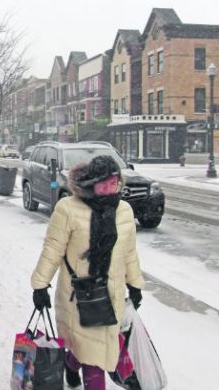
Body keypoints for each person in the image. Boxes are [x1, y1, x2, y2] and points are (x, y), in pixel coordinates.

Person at [30, 155, 144, 390]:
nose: (109, 189)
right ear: (91, 183)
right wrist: (40, 285)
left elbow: (129, 253)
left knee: (94, 347)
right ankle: (77, 366)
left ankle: (71, 363)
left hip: (111, 297)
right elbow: (52, 249)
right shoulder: (68, 208)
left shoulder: (124, 211)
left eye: (114, 183)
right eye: (104, 184)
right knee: (93, 358)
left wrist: (134, 284)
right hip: (79, 296)